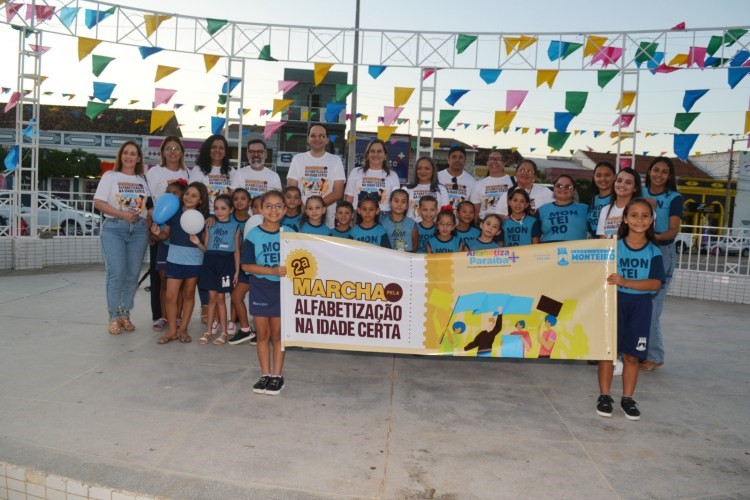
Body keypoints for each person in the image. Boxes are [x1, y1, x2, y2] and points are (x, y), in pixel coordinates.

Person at [597, 198, 665, 420]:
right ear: (625, 218)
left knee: (632, 356)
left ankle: (627, 398)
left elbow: (655, 284)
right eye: (634, 215)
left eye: (645, 216)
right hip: (614, 303)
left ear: (651, 220)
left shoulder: (654, 251)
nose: (639, 220)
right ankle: (604, 396)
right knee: (608, 353)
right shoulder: (613, 247)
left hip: (640, 307)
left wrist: (625, 282)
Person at [94, 141, 151, 335]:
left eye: (133, 153)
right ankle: (113, 316)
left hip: (139, 231)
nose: (129, 157)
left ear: (138, 158)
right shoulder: (110, 176)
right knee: (116, 272)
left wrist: (153, 225)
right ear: (120, 156)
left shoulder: (143, 179)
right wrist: (122, 214)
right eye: (125, 153)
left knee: (132, 275)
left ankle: (125, 314)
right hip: (114, 229)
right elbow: (98, 202)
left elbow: (148, 207)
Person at [150, 182, 210, 344]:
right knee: (170, 296)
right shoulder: (174, 212)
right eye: (187, 193)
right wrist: (157, 233)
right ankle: (172, 331)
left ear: (201, 200)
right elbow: (165, 235)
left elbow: (205, 244)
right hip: (174, 259)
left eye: (194, 196)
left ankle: (183, 329)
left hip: (194, 261)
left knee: (188, 295)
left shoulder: (204, 218)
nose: (188, 197)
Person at [242, 190, 288, 395]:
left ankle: (277, 376)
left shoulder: (289, 234)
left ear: (285, 210)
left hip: (282, 290)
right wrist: (271, 271)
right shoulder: (253, 235)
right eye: (268, 206)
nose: (273, 210)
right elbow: (246, 266)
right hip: (260, 288)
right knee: (262, 334)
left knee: (277, 334)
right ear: (260, 209)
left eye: (278, 206)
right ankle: (265, 374)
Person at [642, 157, 683, 372]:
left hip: (661, 252)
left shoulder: (674, 198)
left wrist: (650, 237)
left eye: (664, 172)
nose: (659, 175)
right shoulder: (640, 193)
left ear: (669, 176)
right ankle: (637, 352)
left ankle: (655, 355)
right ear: (649, 171)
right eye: (655, 170)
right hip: (637, 251)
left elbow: (672, 231)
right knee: (636, 305)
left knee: (653, 308)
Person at [190, 134, 234, 325]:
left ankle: (219, 306)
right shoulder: (198, 170)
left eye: (221, 147)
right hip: (204, 222)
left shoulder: (232, 172)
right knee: (204, 266)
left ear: (226, 151)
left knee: (220, 266)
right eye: (214, 147)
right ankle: (205, 306)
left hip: (224, 226)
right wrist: (208, 216)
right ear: (208, 149)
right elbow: (194, 196)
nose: (217, 150)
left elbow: (235, 200)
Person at [146, 137, 190, 330]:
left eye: (176, 148)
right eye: (168, 148)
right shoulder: (154, 172)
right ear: (162, 152)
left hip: (180, 231)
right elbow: (148, 202)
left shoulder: (187, 172)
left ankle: (177, 315)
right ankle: (160, 315)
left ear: (182, 152)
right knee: (160, 277)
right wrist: (150, 229)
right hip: (160, 228)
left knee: (179, 279)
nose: (172, 151)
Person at [197, 194, 241, 346]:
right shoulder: (210, 224)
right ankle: (208, 331)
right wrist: (197, 242)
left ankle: (224, 332)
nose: (219, 211)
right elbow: (206, 247)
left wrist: (236, 271)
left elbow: (236, 250)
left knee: (221, 298)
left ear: (231, 210)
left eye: (223, 208)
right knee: (211, 299)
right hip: (210, 262)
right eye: (216, 208)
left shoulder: (235, 226)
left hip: (225, 264)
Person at [286, 124, 346, 227]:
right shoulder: (298, 159)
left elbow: (338, 193)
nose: (317, 139)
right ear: (308, 139)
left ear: (327, 139)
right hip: (301, 217)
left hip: (327, 221)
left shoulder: (335, 160)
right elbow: (291, 189)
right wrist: (305, 209)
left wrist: (314, 208)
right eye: (313, 135)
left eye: (322, 136)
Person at [153, 180, 187, 333]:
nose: (171, 196)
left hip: (179, 252)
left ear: (183, 195)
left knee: (179, 286)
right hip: (164, 249)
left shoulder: (186, 213)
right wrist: (155, 233)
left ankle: (177, 316)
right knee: (164, 284)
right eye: (168, 192)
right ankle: (164, 317)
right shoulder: (163, 210)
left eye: (175, 193)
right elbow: (161, 232)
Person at [228, 188, 257, 345]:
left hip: (259, 268)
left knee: (258, 300)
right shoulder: (229, 219)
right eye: (236, 198)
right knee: (235, 295)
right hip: (240, 265)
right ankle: (245, 329)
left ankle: (261, 332)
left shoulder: (258, 222)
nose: (239, 201)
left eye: (243, 198)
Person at [344, 139, 400, 214]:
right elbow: (348, 200)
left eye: (379, 151)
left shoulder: (393, 175)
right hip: (359, 214)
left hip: (383, 216)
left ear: (385, 155)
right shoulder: (356, 172)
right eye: (372, 151)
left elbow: (397, 201)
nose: (375, 154)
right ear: (367, 155)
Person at [537, 174, 589, 243]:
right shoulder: (541, 210)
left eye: (568, 186)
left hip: (576, 249)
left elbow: (597, 233)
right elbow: (534, 236)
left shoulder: (585, 209)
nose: (563, 189)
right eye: (559, 186)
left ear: (574, 190)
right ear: (554, 188)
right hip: (549, 249)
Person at [597, 168, 642, 238]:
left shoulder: (642, 210)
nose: (622, 185)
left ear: (635, 188)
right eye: (619, 181)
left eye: (628, 182)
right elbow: (602, 239)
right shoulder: (605, 210)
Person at [470, 150, 514, 222]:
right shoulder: (478, 184)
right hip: (485, 224)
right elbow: (476, 211)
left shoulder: (513, 181)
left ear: (504, 163)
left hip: (507, 224)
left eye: (498, 159)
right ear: (487, 162)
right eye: (491, 159)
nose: (494, 161)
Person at [405, 156, 449, 222]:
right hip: (411, 227)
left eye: (427, 168)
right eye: (419, 168)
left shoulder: (441, 189)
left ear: (433, 170)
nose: (423, 171)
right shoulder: (406, 189)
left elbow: (445, 214)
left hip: (434, 227)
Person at [437, 145, 476, 212]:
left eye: (460, 157)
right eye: (454, 157)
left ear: (465, 160)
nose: (457, 160)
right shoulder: (437, 177)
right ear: (448, 160)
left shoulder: (472, 181)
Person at [587, 161, 616, 236]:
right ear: (594, 177)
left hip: (612, 240)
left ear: (614, 176)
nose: (603, 178)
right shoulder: (593, 199)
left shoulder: (619, 199)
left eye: (607, 175)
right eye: (598, 175)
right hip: (594, 241)